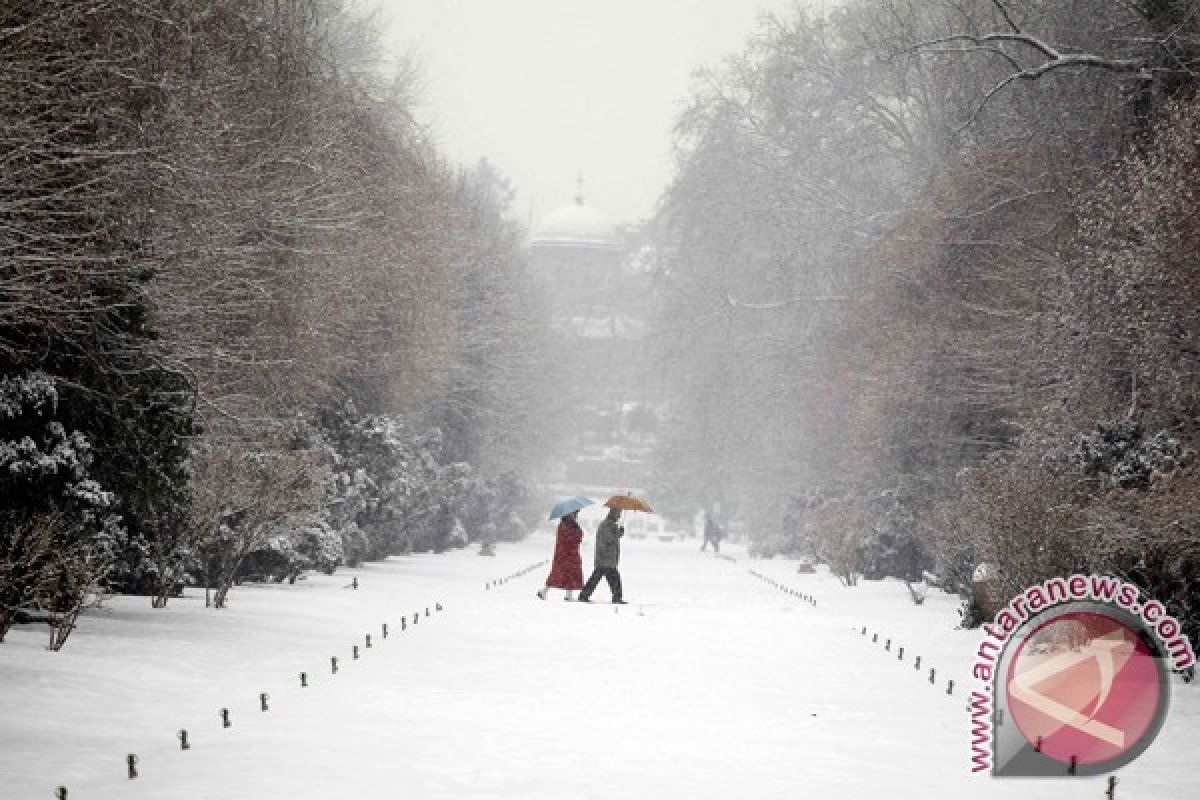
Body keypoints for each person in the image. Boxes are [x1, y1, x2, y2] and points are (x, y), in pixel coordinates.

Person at [578, 506, 625, 603]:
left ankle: (584, 595)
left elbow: (612, 537)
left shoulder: (610, 524)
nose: (619, 516)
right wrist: (618, 533)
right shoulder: (607, 524)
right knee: (614, 578)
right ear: (613, 513)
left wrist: (618, 533)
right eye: (618, 513)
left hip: (606, 557)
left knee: (597, 577)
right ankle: (617, 597)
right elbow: (608, 539)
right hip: (605, 557)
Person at [538, 511, 584, 601]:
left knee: (567, 574)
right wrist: (577, 531)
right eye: (574, 514)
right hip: (566, 555)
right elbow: (571, 539)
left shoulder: (568, 525)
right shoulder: (564, 526)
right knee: (561, 574)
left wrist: (576, 529)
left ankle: (567, 594)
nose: (576, 516)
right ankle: (544, 591)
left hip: (566, 554)